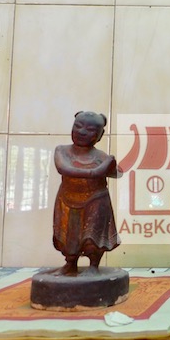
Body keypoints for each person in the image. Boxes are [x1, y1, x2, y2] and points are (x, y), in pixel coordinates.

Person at [52, 111, 122, 275]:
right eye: (78, 126)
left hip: (95, 200)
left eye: (90, 130)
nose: (82, 132)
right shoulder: (62, 151)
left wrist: (110, 165)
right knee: (68, 234)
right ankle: (70, 263)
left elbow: (118, 173)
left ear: (100, 135)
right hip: (67, 199)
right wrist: (98, 170)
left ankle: (93, 265)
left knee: (92, 236)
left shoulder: (101, 156)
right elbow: (64, 168)